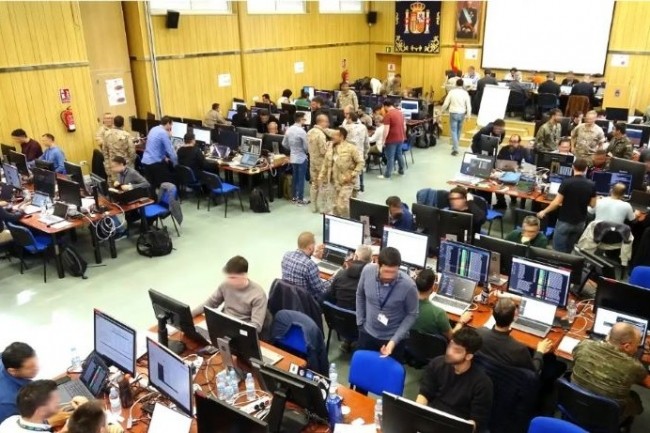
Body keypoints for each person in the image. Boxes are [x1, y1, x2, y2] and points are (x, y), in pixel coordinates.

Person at [415, 328, 493, 432]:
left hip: (457, 425)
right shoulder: (437, 363)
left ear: (468, 356)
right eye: (450, 346)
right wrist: (416, 416)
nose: (449, 352)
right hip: (432, 417)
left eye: (457, 351)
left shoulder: (482, 384)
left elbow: (475, 422)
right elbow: (425, 393)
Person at [572, 322, 650, 420]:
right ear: (627, 346)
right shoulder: (633, 366)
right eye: (636, 345)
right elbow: (648, 383)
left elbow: (575, 357)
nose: (636, 349)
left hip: (576, 401)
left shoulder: (584, 345)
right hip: (605, 414)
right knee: (635, 399)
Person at [356, 247, 419, 361]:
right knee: (365, 369)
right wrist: (360, 321)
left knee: (387, 375)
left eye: (393, 272)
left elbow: (412, 314)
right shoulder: (367, 271)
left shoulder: (409, 286)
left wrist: (394, 341)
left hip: (392, 339)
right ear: (378, 265)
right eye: (386, 271)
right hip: (367, 332)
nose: (389, 276)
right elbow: (360, 294)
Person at [191, 256, 267, 332]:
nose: (229, 280)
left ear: (244, 276)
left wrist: (238, 332)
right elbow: (210, 303)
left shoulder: (258, 295)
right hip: (224, 324)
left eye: (233, 277)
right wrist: (191, 314)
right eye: (228, 277)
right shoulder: (226, 285)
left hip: (241, 330)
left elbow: (256, 326)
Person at [477, 298, 552, 373]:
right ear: (514, 317)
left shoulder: (479, 333)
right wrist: (540, 351)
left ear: (493, 314)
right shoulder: (519, 349)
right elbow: (533, 371)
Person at [537, 158, 596, 253]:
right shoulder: (592, 184)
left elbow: (556, 202)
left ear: (573, 167)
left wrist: (544, 211)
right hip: (580, 223)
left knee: (557, 250)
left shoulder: (567, 182)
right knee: (569, 249)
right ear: (586, 169)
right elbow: (593, 205)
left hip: (565, 221)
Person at [318, 127, 364, 218]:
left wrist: (353, 174)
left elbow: (361, 162)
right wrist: (321, 176)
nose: (332, 137)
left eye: (335, 135)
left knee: (342, 205)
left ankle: (347, 221)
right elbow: (325, 163)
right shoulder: (330, 148)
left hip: (346, 181)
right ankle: (337, 222)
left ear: (341, 136)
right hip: (333, 181)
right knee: (334, 205)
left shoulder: (351, 148)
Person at [412, 269, 472, 338]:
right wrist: (461, 322)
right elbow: (452, 337)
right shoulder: (438, 313)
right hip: (433, 347)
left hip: (409, 345)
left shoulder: (405, 304)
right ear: (433, 287)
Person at [323, 245, 372, 311]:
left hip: (337, 317)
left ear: (355, 257)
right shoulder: (372, 281)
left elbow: (331, 294)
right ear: (370, 261)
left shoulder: (341, 274)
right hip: (358, 318)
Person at [280, 232, 326, 299]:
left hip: (289, 299)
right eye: (314, 245)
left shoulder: (286, 256)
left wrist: (313, 254)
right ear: (310, 247)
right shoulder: (309, 265)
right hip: (306, 303)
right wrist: (333, 279)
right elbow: (321, 290)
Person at [0, 343, 38, 424]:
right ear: (12, 371)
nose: (36, 368)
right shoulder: (9, 403)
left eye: (35, 363)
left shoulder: (7, 358)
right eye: (30, 368)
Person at [141, 116, 177, 188]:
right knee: (168, 184)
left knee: (151, 185)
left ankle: (153, 199)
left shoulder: (153, 129)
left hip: (145, 161)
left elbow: (154, 146)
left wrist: (164, 157)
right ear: (167, 124)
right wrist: (176, 164)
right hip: (155, 163)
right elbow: (170, 152)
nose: (171, 127)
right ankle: (168, 199)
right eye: (171, 125)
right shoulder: (163, 133)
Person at [282, 112, 309, 205]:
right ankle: (300, 199)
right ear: (301, 119)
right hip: (301, 158)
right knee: (301, 179)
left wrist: (292, 149)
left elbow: (284, 143)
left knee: (295, 178)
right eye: (304, 119)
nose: (305, 121)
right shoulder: (302, 131)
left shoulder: (289, 129)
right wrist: (303, 151)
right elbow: (306, 147)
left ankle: (294, 197)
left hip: (293, 157)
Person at [307, 114, 332, 213]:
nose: (328, 124)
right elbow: (323, 151)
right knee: (324, 185)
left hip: (312, 162)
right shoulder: (320, 134)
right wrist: (330, 145)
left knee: (314, 184)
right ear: (321, 122)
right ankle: (323, 208)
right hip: (322, 164)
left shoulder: (309, 132)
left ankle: (313, 207)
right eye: (326, 121)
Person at [442, 78, 472, 156]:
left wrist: (442, 110)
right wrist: (469, 115)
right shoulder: (465, 93)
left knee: (453, 131)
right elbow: (468, 105)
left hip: (453, 113)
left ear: (456, 84)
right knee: (459, 131)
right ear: (462, 85)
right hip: (462, 113)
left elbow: (446, 103)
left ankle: (455, 149)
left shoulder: (451, 92)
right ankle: (455, 146)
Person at [102, 115, 136, 183]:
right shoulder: (126, 135)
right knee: (126, 184)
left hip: (112, 164)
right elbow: (132, 152)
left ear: (114, 123)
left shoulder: (106, 134)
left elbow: (104, 150)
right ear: (123, 124)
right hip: (124, 164)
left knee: (116, 184)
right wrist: (131, 161)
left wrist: (107, 163)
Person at [379, 99, 406, 180]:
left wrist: (383, 140)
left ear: (385, 106)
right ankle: (401, 171)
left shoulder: (388, 115)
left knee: (390, 157)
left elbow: (386, 129)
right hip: (401, 137)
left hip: (392, 139)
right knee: (399, 155)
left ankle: (387, 174)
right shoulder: (400, 113)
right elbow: (404, 126)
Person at [342, 111, 369, 194]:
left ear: (349, 118)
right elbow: (366, 142)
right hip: (359, 154)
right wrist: (365, 153)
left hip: (348, 155)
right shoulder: (363, 127)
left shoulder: (345, 128)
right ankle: (356, 192)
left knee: (347, 174)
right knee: (356, 174)